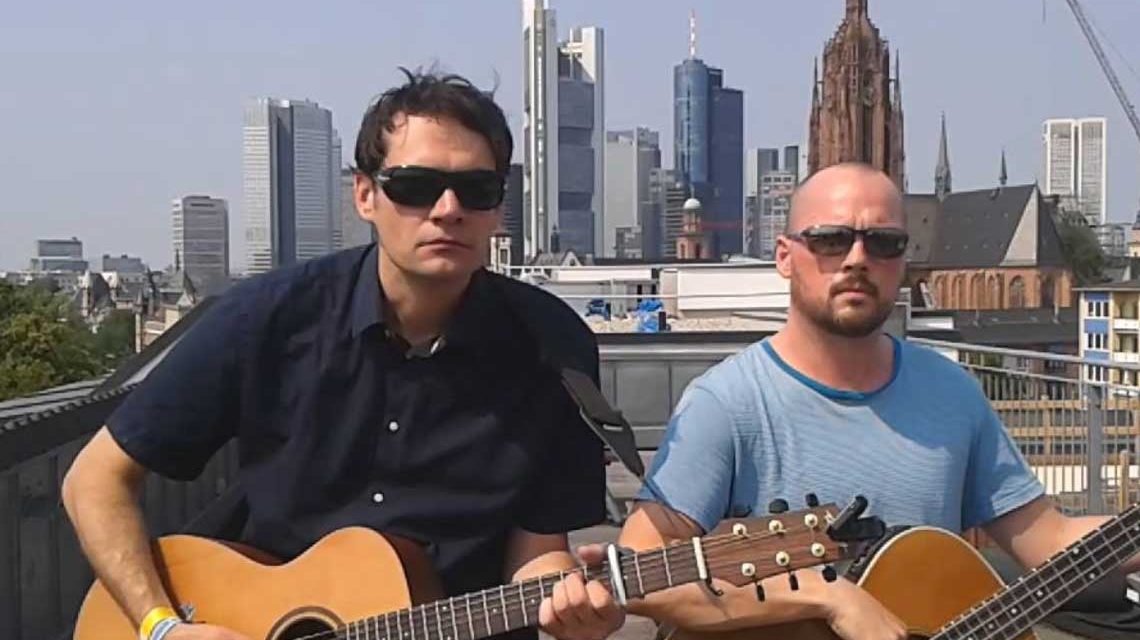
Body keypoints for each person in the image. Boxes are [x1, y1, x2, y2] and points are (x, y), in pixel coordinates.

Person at [62, 69, 624, 640]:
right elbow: (94, 479)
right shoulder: (269, 318)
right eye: (414, 185)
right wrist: (162, 627)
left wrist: (574, 610)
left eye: (476, 189)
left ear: (498, 209)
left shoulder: (553, 345)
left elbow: (538, 553)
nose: (448, 209)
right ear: (364, 195)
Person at [617, 163, 1140, 640]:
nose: (857, 259)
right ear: (784, 256)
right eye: (830, 240)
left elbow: (1049, 539)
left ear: (904, 261)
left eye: (883, 243)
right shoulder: (726, 402)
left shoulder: (951, 391)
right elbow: (636, 571)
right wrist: (827, 598)